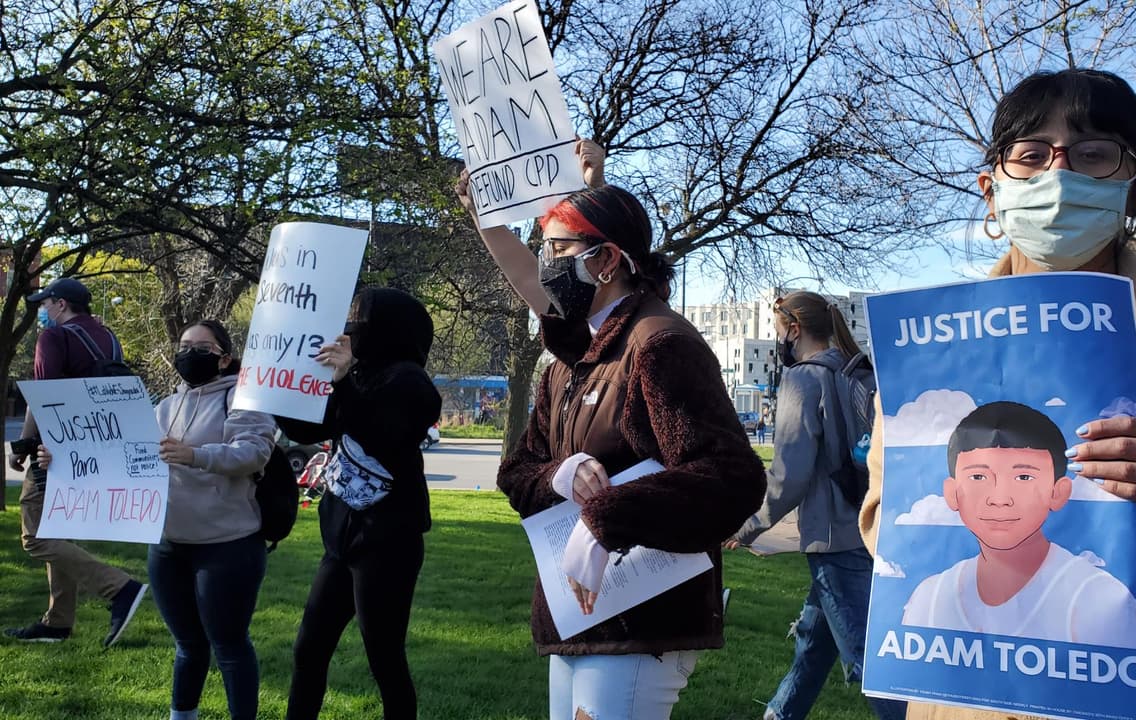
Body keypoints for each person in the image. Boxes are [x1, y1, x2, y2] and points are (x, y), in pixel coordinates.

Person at [858, 69, 1136, 720]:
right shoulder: (925, 343)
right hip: (970, 700)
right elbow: (882, 522)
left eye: (1093, 153)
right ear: (992, 189)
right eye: (1030, 154)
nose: (1058, 175)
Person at [456, 146, 767, 720]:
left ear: (605, 261)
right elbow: (517, 472)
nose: (545, 264)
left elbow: (731, 476)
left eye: (557, 250)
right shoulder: (569, 362)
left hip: (642, 623)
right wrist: (561, 474)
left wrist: (606, 518)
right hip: (578, 619)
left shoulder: (660, 343)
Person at [35, 319, 275, 719]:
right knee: (188, 645)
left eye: (202, 348)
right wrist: (58, 459)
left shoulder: (243, 399)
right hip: (167, 546)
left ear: (224, 359)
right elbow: (117, 457)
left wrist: (195, 456)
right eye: (184, 346)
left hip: (228, 546)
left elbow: (253, 452)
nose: (190, 354)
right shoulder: (163, 407)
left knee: (230, 647)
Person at [725, 291, 905, 720]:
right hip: (870, 527)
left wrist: (747, 526)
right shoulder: (859, 371)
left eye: (777, 331)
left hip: (833, 540)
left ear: (794, 329)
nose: (777, 341)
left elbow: (789, 475)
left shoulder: (803, 379)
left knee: (868, 663)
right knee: (813, 644)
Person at [275, 287, 441, 720]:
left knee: (384, 657)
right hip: (341, 541)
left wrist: (343, 380)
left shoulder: (412, 383)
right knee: (309, 648)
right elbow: (312, 428)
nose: (350, 328)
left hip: (387, 544)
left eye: (360, 319)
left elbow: (379, 431)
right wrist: (272, 391)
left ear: (389, 328)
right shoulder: (359, 374)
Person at [901, 401, 1136, 650]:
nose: (999, 498)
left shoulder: (1096, 599)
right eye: (978, 476)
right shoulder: (929, 598)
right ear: (952, 493)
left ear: (1058, 492)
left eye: (1023, 477)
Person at [4, 277, 147, 646]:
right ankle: (57, 622)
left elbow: (43, 397)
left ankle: (119, 588)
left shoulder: (53, 337)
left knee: (35, 537)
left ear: (62, 304)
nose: (43, 310)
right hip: (95, 449)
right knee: (57, 530)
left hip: (55, 451)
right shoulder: (108, 338)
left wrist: (23, 446)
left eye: (45, 303)